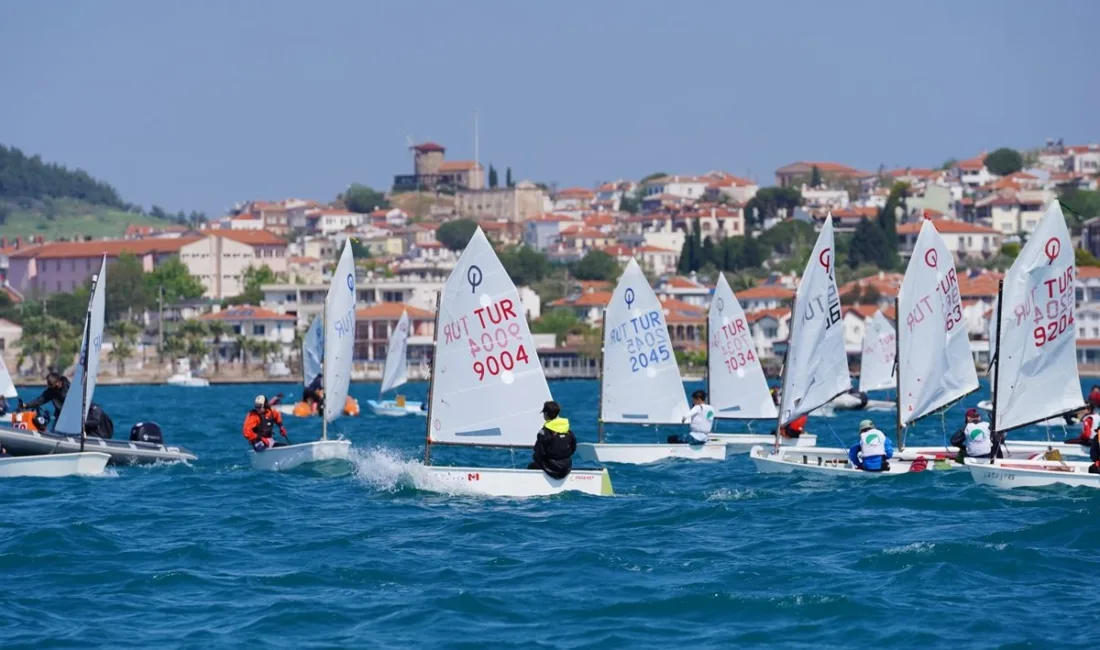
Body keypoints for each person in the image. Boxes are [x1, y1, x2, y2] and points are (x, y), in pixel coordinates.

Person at [527, 401, 576, 479]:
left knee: (531, 466)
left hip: (553, 468)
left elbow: (539, 454)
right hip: (567, 467)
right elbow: (573, 448)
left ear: (546, 414)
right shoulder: (567, 430)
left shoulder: (543, 432)